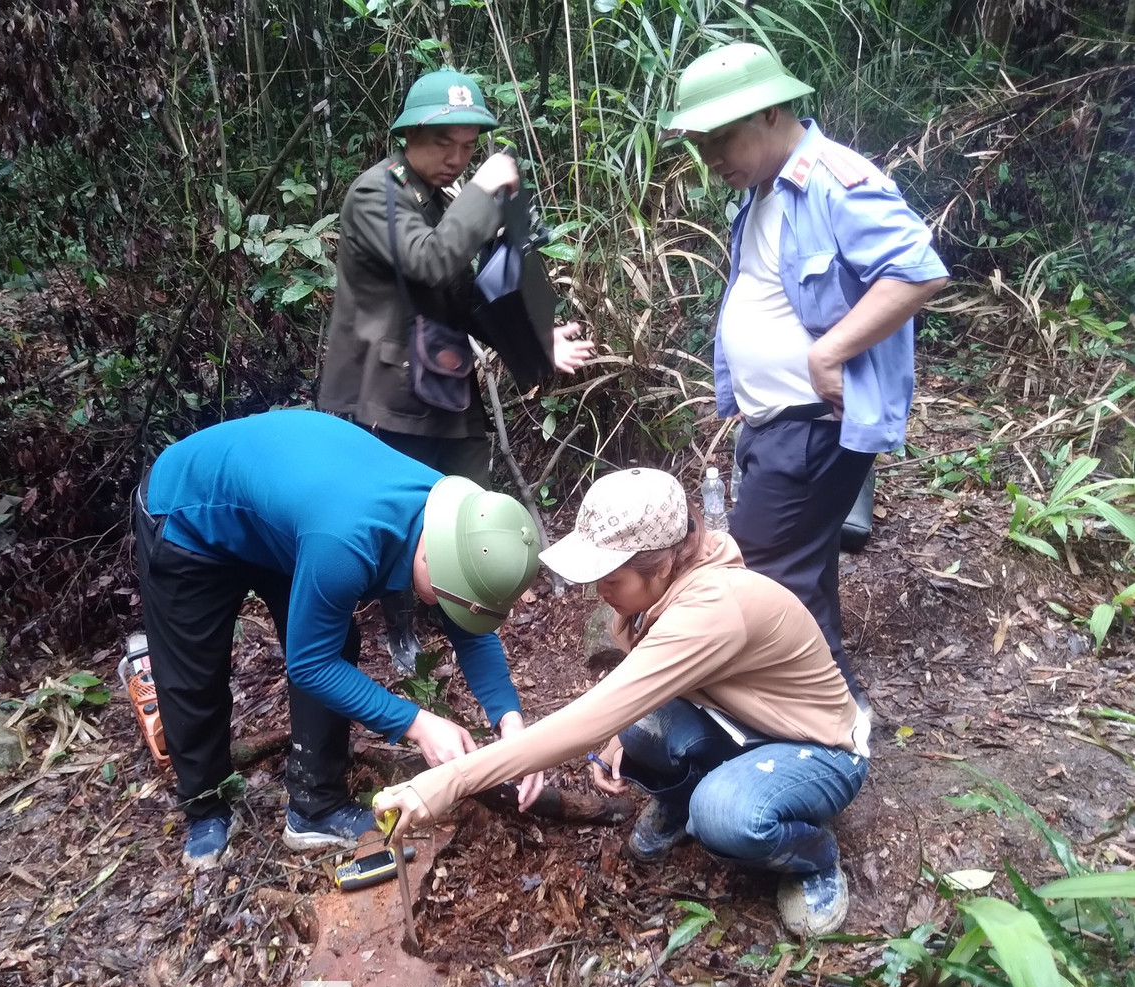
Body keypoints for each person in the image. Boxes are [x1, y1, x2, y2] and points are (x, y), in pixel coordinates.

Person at [375, 468, 872, 937]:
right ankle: (686, 801)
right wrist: (615, 740)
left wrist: (447, 782)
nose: (599, 590)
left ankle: (816, 858)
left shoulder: (712, 608)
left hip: (820, 750)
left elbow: (590, 718)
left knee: (723, 816)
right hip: (742, 724)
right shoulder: (662, 590)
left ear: (658, 566)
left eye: (611, 578)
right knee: (636, 733)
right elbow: (630, 701)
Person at [133, 409, 546, 869]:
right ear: (432, 561)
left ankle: (315, 805)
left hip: (282, 518)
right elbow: (309, 663)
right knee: (195, 675)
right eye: (448, 599)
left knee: (335, 644)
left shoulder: (457, 520)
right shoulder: (347, 544)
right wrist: (418, 723)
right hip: (188, 514)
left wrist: (511, 723)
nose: (449, 612)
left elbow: (468, 620)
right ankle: (205, 808)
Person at [663, 44, 949, 705]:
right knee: (801, 580)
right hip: (777, 428)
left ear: (768, 113)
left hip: (811, 429)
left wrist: (827, 354)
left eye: (720, 139)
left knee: (765, 584)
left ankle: (809, 733)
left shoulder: (831, 180)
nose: (711, 160)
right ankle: (841, 722)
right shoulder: (764, 191)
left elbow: (918, 270)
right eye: (699, 145)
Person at [318, 67, 594, 671]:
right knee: (397, 517)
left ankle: (465, 611)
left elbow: (469, 296)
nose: (456, 157)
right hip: (386, 393)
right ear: (410, 134)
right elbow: (432, 262)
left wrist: (536, 340)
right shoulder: (376, 193)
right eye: (445, 142)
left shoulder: (440, 203)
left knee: (466, 502)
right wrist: (483, 190)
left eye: (469, 147)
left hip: (441, 384)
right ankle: (395, 630)